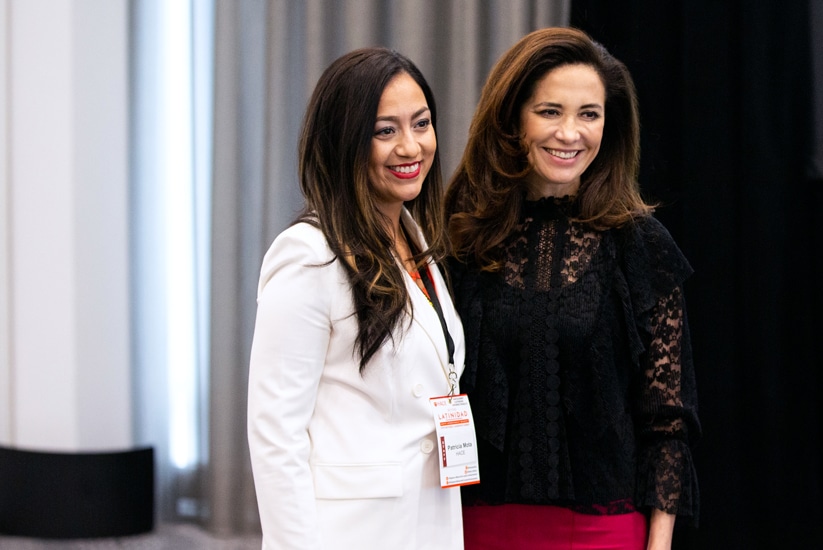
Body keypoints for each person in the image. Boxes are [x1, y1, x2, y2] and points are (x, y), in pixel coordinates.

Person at [443, 27, 700, 550]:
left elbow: (667, 420)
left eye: (589, 114)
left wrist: (660, 542)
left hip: (603, 530)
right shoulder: (464, 236)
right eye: (549, 111)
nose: (570, 133)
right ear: (513, 117)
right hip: (477, 528)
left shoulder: (641, 244)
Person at [247, 47, 465, 550]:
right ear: (344, 140)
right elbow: (276, 437)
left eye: (422, 123)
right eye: (384, 130)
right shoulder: (308, 255)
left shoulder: (416, 238)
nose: (411, 147)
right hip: (351, 532)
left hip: (429, 519)